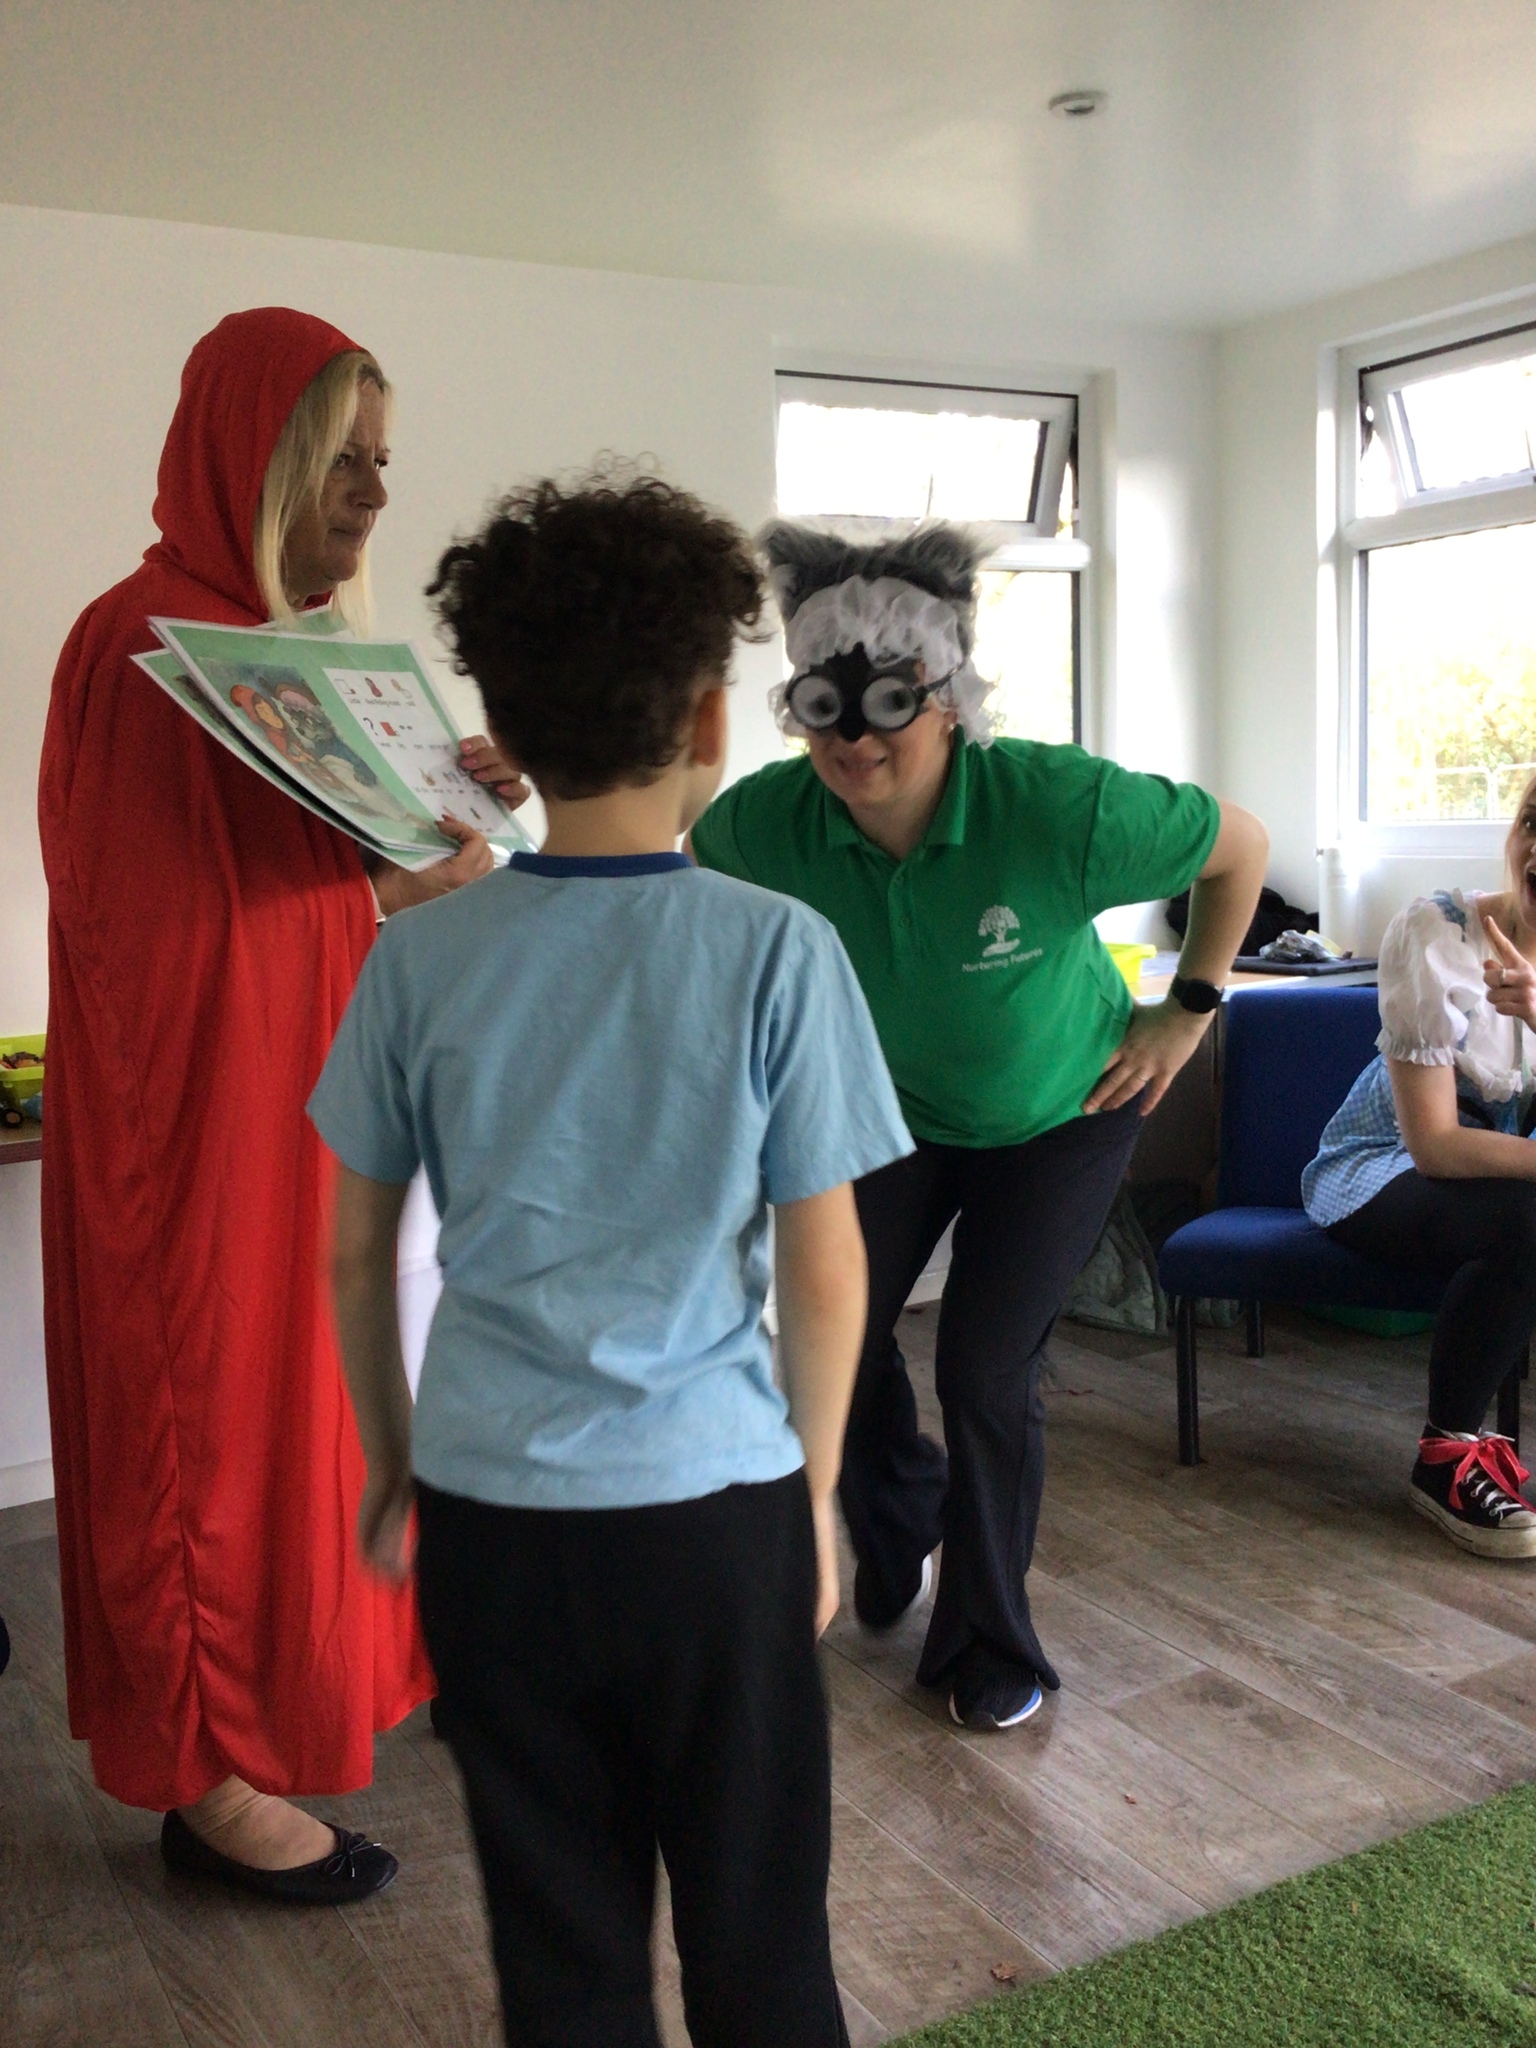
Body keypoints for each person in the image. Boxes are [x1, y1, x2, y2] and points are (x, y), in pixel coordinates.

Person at [309, 472, 913, 2046]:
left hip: (490, 1526)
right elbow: (828, 1270)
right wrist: (816, 1495)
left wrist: (393, 1465)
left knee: (562, 1957)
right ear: (712, 720)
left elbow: (357, 1256)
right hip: (715, 1520)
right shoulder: (778, 948)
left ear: (502, 724)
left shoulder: (415, 956)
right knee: (761, 1946)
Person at [37, 307, 522, 1903]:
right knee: (212, 1437)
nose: (374, 493)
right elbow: (149, 943)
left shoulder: (284, 645)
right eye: (339, 459)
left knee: (318, 1428)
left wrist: (456, 807)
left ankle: (311, 1696)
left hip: (308, 1117)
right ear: (247, 456)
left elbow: (317, 884)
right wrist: (383, 896)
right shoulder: (141, 642)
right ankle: (209, 1778)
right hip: (198, 1144)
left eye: (384, 460)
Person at [689, 520, 1268, 1732]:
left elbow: (1241, 848)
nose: (854, 740)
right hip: (893, 1113)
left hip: (1062, 1112)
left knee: (982, 1367)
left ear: (948, 696)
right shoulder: (768, 823)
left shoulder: (1059, 804)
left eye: (888, 703)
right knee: (831, 1331)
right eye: (824, 707)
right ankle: (899, 1513)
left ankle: (992, 1638)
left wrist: (1188, 1011)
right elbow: (682, 849)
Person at [1303, 780, 1536, 1559]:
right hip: (1377, 1168)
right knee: (1530, 1220)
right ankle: (1445, 1457)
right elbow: (1433, 1144)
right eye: (1532, 821)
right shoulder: (1437, 933)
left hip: (1492, 1174)